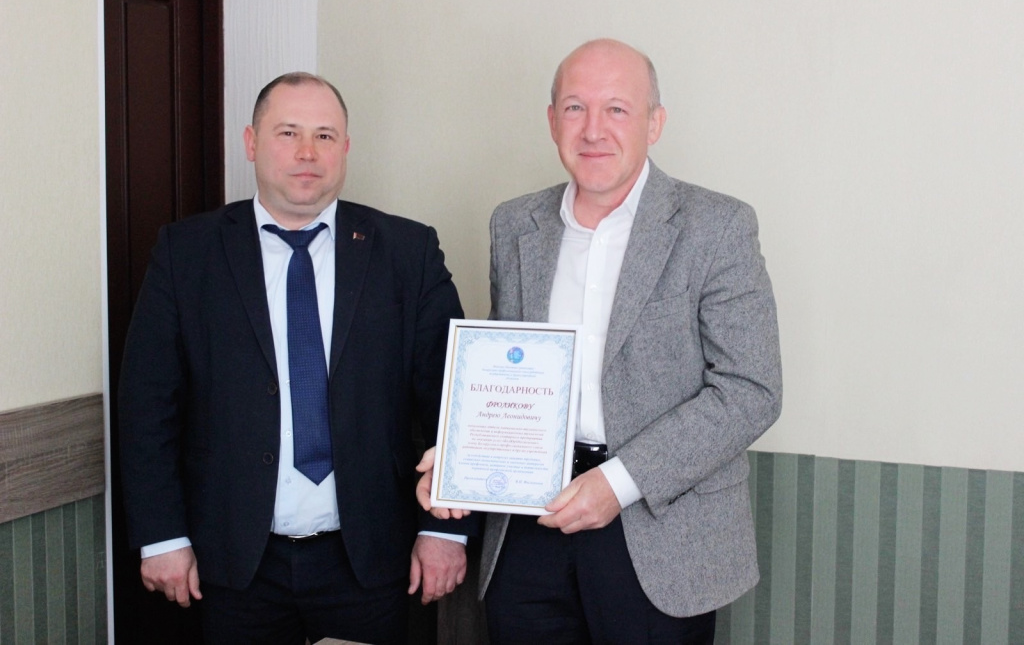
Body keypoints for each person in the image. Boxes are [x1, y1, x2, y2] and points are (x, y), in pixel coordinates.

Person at [418, 39, 782, 643]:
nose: (593, 130)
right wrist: (460, 457)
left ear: (654, 123)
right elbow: (509, 371)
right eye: (574, 108)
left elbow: (750, 389)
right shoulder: (514, 223)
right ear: (552, 120)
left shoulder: (717, 226)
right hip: (529, 523)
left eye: (617, 109)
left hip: (659, 529)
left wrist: (618, 483)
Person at [119, 72, 474, 645]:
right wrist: (162, 535)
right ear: (251, 142)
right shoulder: (186, 253)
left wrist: (445, 531)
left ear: (345, 148)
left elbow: (453, 401)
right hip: (231, 563)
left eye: (325, 136)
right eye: (288, 133)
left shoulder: (408, 253)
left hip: (370, 560)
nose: (308, 152)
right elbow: (147, 406)